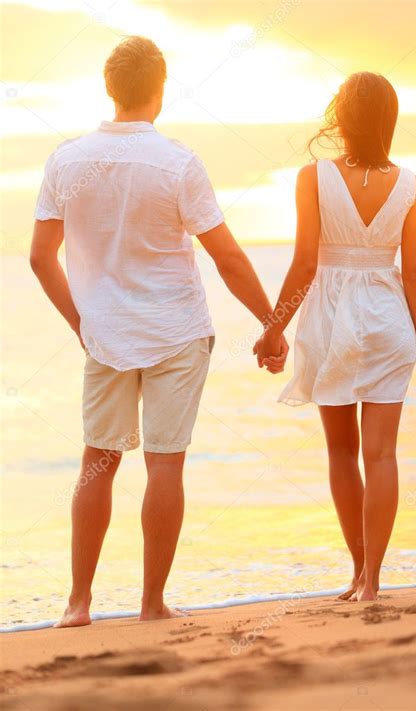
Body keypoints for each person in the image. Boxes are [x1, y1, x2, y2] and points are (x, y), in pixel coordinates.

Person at [30, 35, 287, 627]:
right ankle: (151, 605)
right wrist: (272, 327)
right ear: (159, 91)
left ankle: (77, 604)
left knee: (98, 461)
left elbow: (42, 256)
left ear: (110, 89)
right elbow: (228, 259)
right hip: (175, 331)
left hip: (107, 335)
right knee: (165, 465)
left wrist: (81, 323)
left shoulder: (67, 160)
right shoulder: (177, 162)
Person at [254, 72, 416, 601]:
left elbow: (306, 263)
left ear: (343, 116)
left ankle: (359, 572)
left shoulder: (313, 177)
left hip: (331, 319)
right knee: (382, 456)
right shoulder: (411, 184)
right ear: (390, 120)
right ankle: (373, 582)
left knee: (342, 453)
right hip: (388, 320)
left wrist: (273, 330)